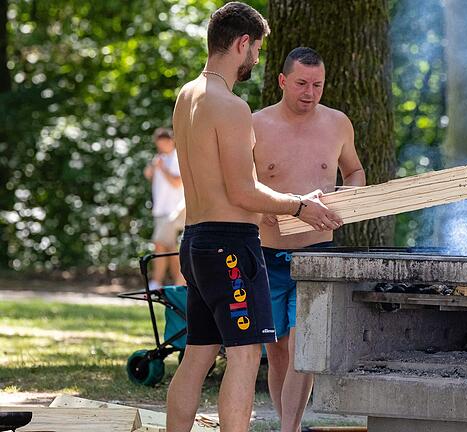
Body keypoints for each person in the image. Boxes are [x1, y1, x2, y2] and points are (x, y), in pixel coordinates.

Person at [165, 4, 343, 432]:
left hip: (196, 241)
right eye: (257, 49)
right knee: (245, 355)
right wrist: (301, 204)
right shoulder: (230, 105)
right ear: (242, 42)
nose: (257, 60)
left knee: (198, 354)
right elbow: (242, 191)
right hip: (230, 245)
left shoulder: (187, 95)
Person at [251, 47, 365, 432]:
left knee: (304, 349)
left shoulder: (338, 123)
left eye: (317, 84)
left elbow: (355, 171)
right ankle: (289, 425)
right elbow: (238, 186)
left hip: (318, 254)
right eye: (301, 83)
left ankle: (290, 429)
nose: (310, 92)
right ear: (283, 81)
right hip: (265, 252)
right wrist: (260, 207)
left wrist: (349, 197)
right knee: (278, 351)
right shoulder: (254, 124)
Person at [143, 127, 186, 291]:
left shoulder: (176, 157)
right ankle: (178, 284)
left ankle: (156, 282)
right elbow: (148, 175)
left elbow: (177, 182)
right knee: (170, 248)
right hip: (160, 210)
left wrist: (163, 169)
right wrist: (154, 167)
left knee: (159, 244)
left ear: (171, 141)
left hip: (174, 210)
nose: (163, 145)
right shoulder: (159, 158)